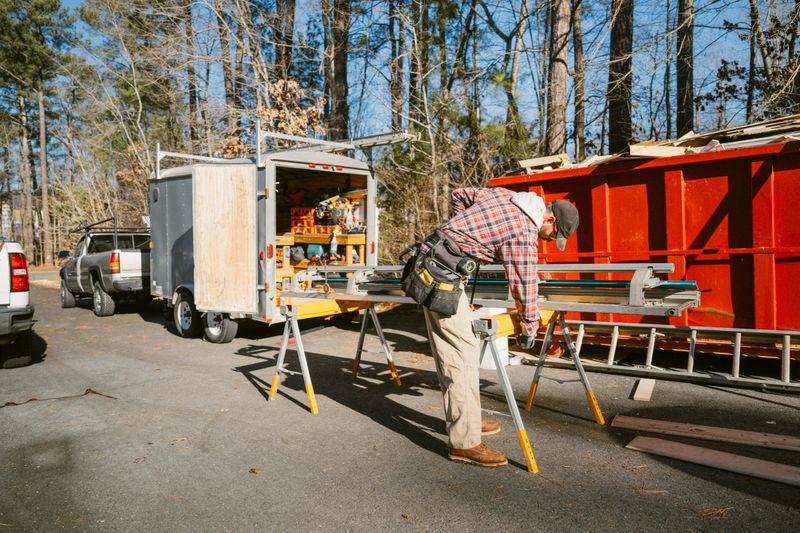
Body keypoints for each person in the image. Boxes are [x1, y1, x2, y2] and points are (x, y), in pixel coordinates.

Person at [419, 187, 579, 467]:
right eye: (552, 236)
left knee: (458, 355)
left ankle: (466, 418)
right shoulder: (523, 230)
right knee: (462, 359)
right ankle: (464, 444)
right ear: (550, 220)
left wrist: (464, 232)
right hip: (440, 275)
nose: (549, 241)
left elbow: (460, 194)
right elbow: (525, 284)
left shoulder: (506, 196)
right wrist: (530, 326)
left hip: (436, 266)